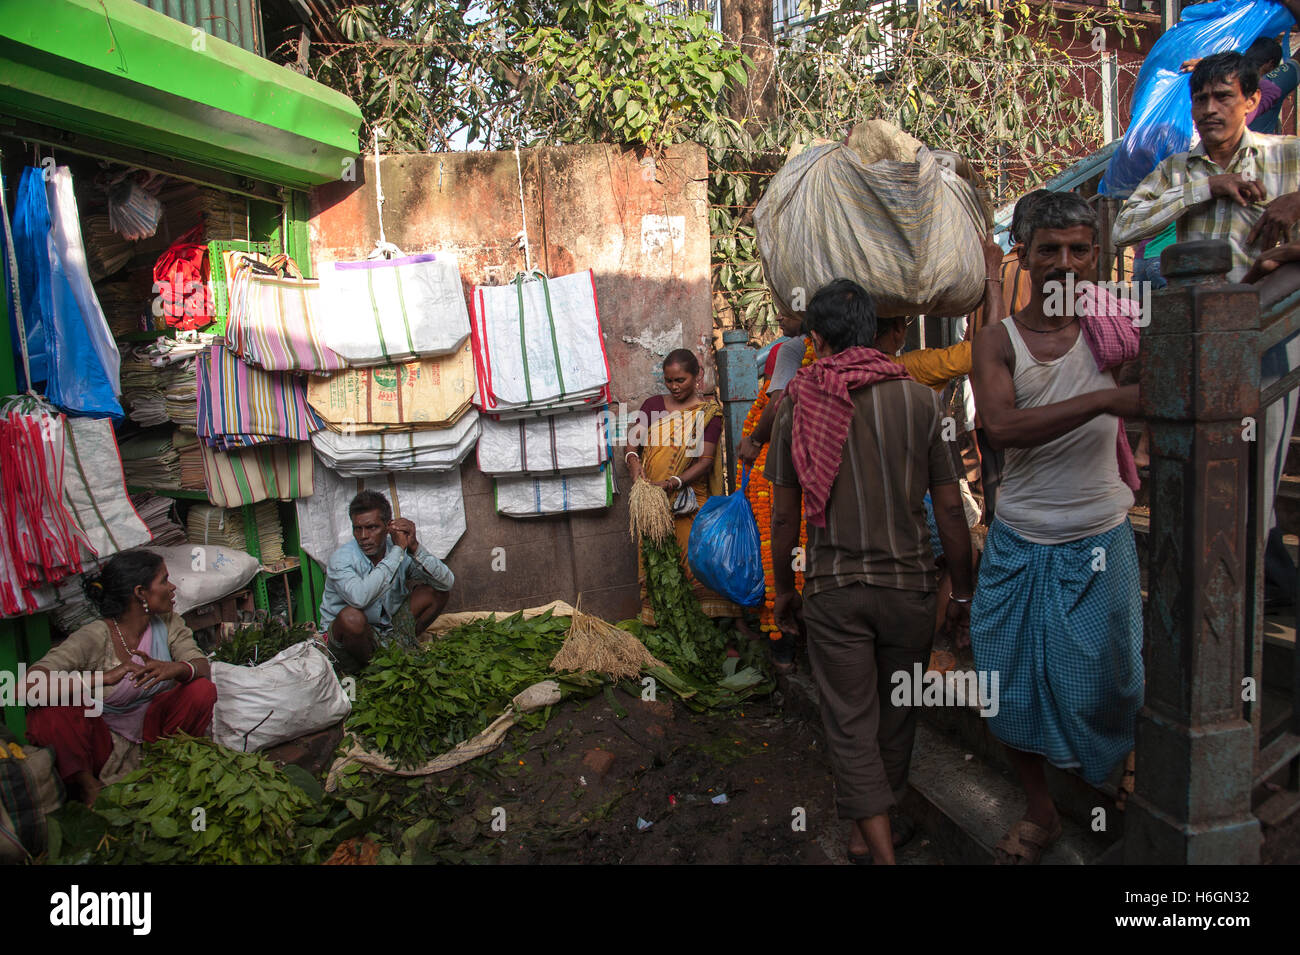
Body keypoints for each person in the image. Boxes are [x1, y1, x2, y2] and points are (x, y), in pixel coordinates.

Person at [765, 279, 975, 864]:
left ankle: (876, 851)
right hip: (910, 590)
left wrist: (785, 589)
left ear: (816, 339)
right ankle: (869, 835)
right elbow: (951, 508)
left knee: (851, 722)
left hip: (834, 590)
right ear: (877, 331)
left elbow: (784, 519)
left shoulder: (798, 405)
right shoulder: (921, 401)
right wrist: (961, 589)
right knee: (897, 712)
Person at [973, 191, 1144, 864]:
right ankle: (1040, 808)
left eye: (1078, 249)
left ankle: (1118, 785)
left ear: (1095, 255)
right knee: (1004, 679)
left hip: (1100, 534)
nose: (1065, 262)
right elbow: (1002, 427)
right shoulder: (998, 340)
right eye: (1050, 250)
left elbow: (1160, 389)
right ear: (1024, 255)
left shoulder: (1119, 329)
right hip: (1020, 538)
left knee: (1113, 680)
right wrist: (1104, 395)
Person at [1114, 50, 1300, 609]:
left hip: (1267, 332)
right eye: (1201, 98)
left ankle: (1246, 588)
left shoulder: (1285, 157)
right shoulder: (1177, 171)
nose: (1210, 108)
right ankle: (1261, 582)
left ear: (1250, 100)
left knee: (1258, 463)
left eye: (1223, 96)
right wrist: (1207, 190)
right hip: (1196, 340)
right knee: (1204, 459)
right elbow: (1126, 224)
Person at [24, 549, 216, 806]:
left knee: (201, 690)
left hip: (153, 735)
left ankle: (166, 768)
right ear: (140, 592)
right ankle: (88, 787)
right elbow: (27, 688)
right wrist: (102, 679)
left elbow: (201, 665)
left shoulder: (168, 622)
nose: (172, 588)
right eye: (163, 580)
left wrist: (176, 669)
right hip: (102, 742)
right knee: (51, 708)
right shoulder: (94, 636)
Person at [625, 348, 751, 629]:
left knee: (698, 562)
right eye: (669, 381)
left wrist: (672, 483)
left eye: (680, 380)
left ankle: (712, 629)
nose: (674, 386)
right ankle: (665, 628)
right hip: (653, 505)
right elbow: (633, 443)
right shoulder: (653, 406)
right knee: (659, 565)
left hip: (691, 502)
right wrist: (634, 465)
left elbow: (705, 462)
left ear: (698, 376)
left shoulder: (708, 413)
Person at [320, 489, 454, 673]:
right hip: (347, 643)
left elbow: (446, 582)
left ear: (388, 527)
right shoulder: (341, 560)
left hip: (387, 630)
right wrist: (397, 552)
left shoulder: (397, 549)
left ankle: (403, 647)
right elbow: (360, 598)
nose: (364, 536)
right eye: (357, 529)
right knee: (351, 618)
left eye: (372, 527)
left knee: (435, 592)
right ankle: (376, 670)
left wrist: (414, 548)